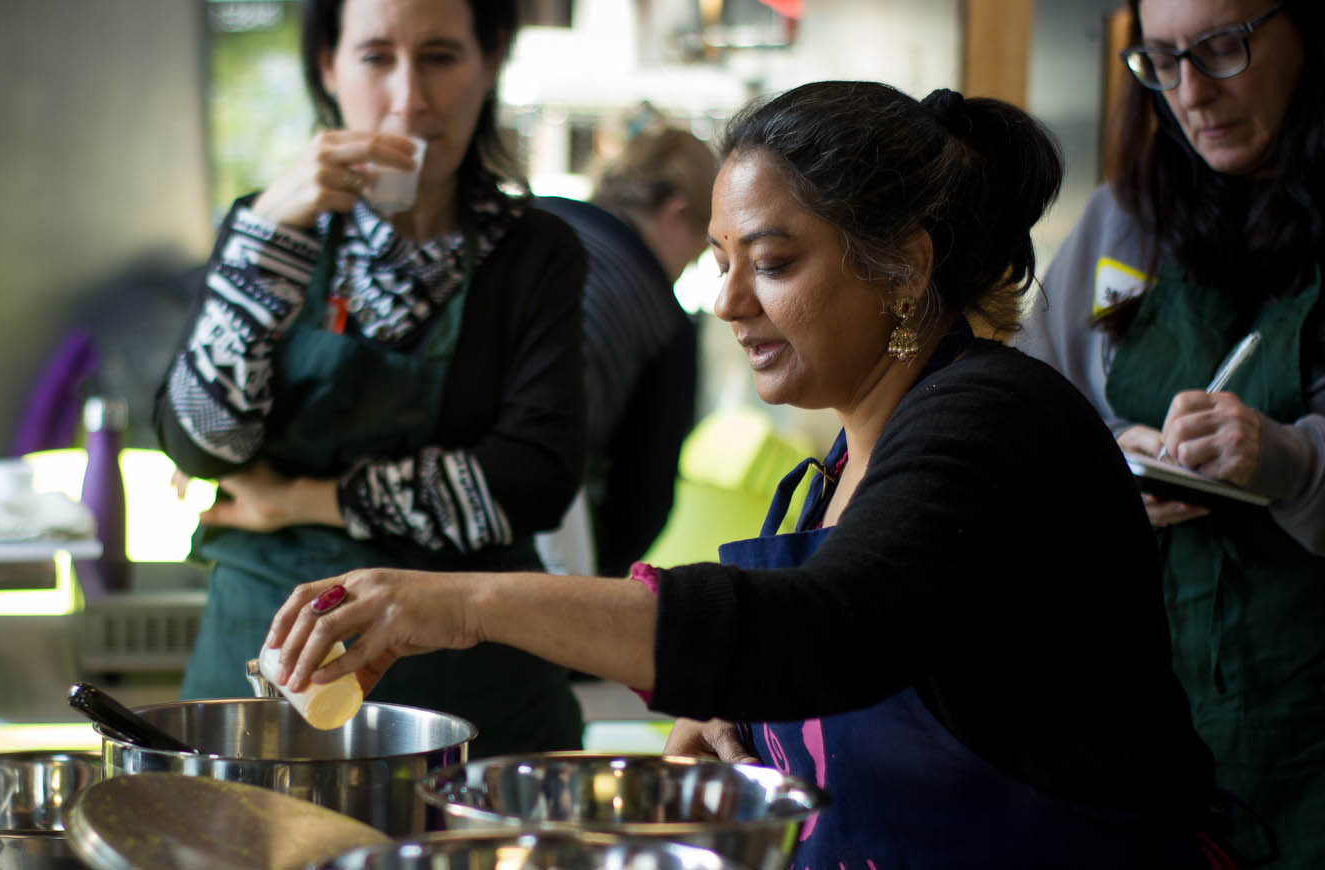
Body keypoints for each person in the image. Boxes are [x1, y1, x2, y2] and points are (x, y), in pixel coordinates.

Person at [263, 82, 1236, 869]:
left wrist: (468, 602)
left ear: (902, 266)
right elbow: (817, 651)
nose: (725, 301)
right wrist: (740, 719)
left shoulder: (991, 419)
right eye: (720, 260)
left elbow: (833, 623)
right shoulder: (832, 471)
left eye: (769, 262)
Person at [154, 0, 589, 758]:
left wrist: (307, 499)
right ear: (328, 64)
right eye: (376, 56)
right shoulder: (265, 228)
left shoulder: (533, 250)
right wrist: (266, 239)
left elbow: (534, 480)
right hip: (267, 670)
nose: (409, 97)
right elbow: (202, 444)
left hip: (475, 680)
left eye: (442, 57)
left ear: (489, 65)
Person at [1018, 1, 1323, 864]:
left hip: (1305, 726)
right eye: (1161, 60)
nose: (1191, 93)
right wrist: (1105, 464)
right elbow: (1031, 416)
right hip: (1140, 717)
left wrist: (1292, 461)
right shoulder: (1126, 224)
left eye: (1222, 50)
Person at [533, 126, 715, 578]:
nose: (686, 268)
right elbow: (642, 499)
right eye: (700, 252)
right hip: (529, 531)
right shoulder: (662, 320)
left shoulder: (530, 217)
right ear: (678, 212)